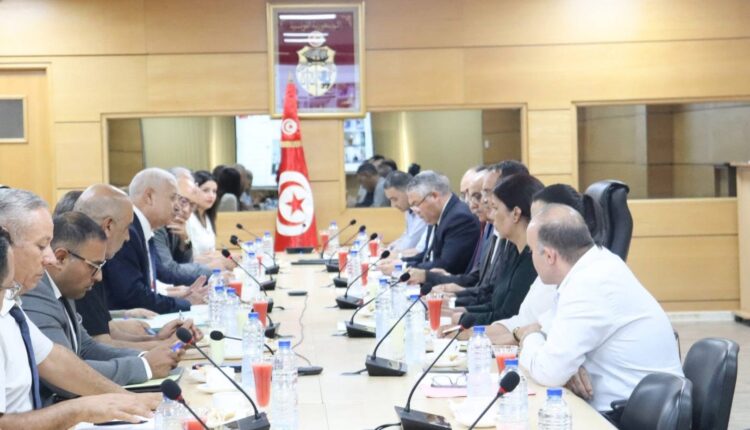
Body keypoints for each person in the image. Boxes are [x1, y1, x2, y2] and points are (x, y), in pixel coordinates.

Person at [0, 189, 161, 426]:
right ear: (5, 244)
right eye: (42, 246)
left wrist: (127, 400)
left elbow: (55, 360)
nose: (50, 259)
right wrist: (79, 410)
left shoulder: (10, 304)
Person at [517, 204, 683, 411]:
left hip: (633, 414)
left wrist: (529, 337)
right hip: (636, 405)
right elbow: (549, 334)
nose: (531, 256)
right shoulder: (596, 265)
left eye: (532, 250)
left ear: (549, 256)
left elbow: (549, 371)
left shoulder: (589, 283)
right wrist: (567, 366)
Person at [22, 212, 182, 403]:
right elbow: (65, 378)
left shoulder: (63, 287)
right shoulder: (35, 293)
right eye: (94, 266)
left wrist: (147, 356)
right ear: (61, 258)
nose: (98, 277)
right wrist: (144, 366)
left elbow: (86, 348)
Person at [72, 184, 203, 351]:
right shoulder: (82, 269)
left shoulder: (94, 263)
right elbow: (98, 345)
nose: (128, 237)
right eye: (127, 228)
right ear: (108, 226)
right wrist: (165, 345)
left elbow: (104, 330)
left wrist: (159, 339)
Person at [486, 184, 602, 346]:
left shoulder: (585, 279)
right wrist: (476, 335)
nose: (531, 226)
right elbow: (524, 321)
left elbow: (550, 352)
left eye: (538, 219)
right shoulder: (558, 270)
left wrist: (522, 335)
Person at [103, 168, 196, 314]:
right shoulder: (127, 230)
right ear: (149, 196)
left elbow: (146, 287)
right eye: (172, 198)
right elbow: (133, 295)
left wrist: (176, 296)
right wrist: (186, 304)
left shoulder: (143, 229)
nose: (178, 206)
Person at [454, 174, 543, 326]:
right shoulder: (512, 250)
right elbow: (494, 304)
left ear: (515, 214)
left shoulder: (532, 259)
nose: (491, 215)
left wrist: (461, 318)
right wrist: (459, 312)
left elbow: (509, 316)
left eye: (495, 208)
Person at [401, 171, 480, 274]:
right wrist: (401, 263)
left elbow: (446, 265)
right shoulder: (437, 215)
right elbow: (428, 256)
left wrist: (405, 268)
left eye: (416, 204)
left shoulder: (460, 218)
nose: (416, 211)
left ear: (434, 196)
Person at [153, 168, 215, 287]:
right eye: (183, 201)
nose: (186, 210)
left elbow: (184, 268)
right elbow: (169, 272)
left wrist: (184, 242)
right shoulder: (156, 225)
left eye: (192, 205)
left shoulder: (176, 223)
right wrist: (213, 273)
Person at [383, 171, 428, 254]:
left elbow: (410, 243)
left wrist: (391, 252)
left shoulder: (423, 210)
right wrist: (389, 248)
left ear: (408, 191)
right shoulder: (408, 210)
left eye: (395, 199)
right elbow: (406, 235)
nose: (393, 205)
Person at [188, 170, 218, 258]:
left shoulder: (207, 216)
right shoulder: (188, 217)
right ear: (194, 190)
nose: (211, 195)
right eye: (205, 190)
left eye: (214, 191)